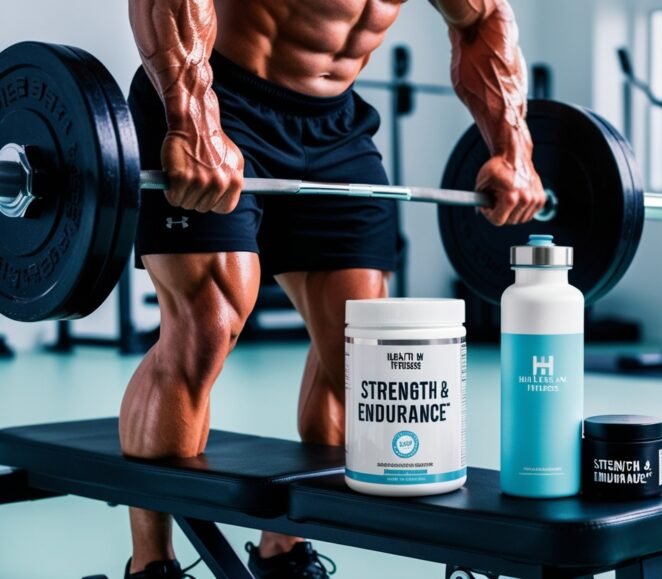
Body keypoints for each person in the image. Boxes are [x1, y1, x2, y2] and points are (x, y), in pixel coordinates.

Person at [121, 0, 545, 577]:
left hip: (333, 128)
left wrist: (512, 145)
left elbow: (482, 18)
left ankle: (284, 550)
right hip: (216, 96)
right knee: (204, 328)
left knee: (362, 350)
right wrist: (191, 116)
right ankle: (152, 564)